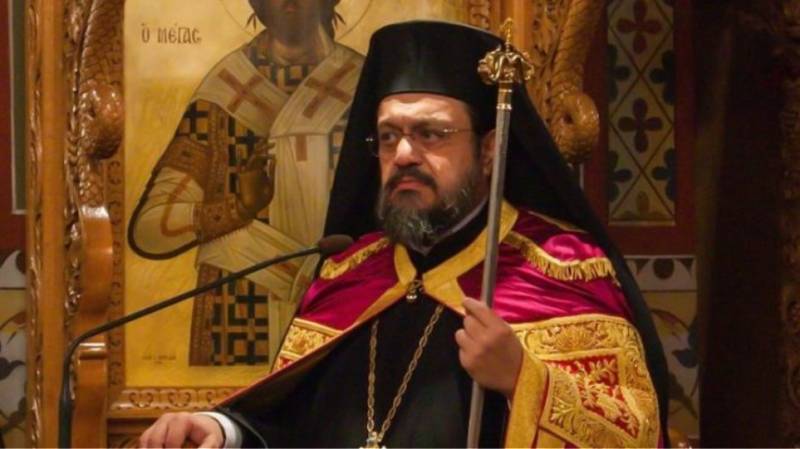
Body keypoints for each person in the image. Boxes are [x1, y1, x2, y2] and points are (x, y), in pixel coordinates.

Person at [139, 20, 670, 448]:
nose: (405, 155)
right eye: (389, 136)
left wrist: (523, 378)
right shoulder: (350, 273)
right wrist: (222, 430)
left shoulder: (562, 267)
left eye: (431, 134)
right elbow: (294, 420)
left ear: (489, 150)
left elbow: (636, 433)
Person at [128, 0, 364, 366]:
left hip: (342, 306)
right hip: (238, 312)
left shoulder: (365, 87)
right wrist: (238, 208)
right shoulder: (224, 92)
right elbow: (151, 228)